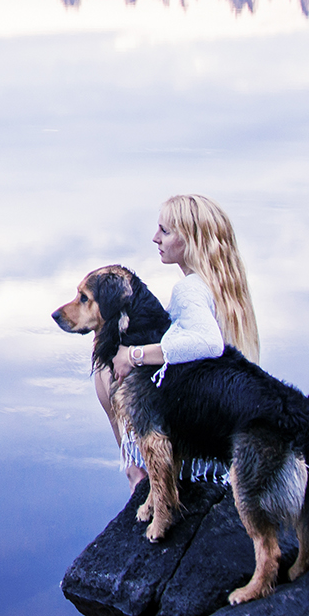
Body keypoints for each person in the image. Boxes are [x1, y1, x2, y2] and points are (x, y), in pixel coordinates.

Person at [98, 193, 260, 487]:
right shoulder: (226, 289)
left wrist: (134, 354)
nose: (155, 238)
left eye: (165, 231)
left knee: (105, 365)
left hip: (192, 453)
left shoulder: (190, 290)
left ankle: (136, 472)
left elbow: (208, 343)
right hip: (219, 446)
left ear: (192, 241)